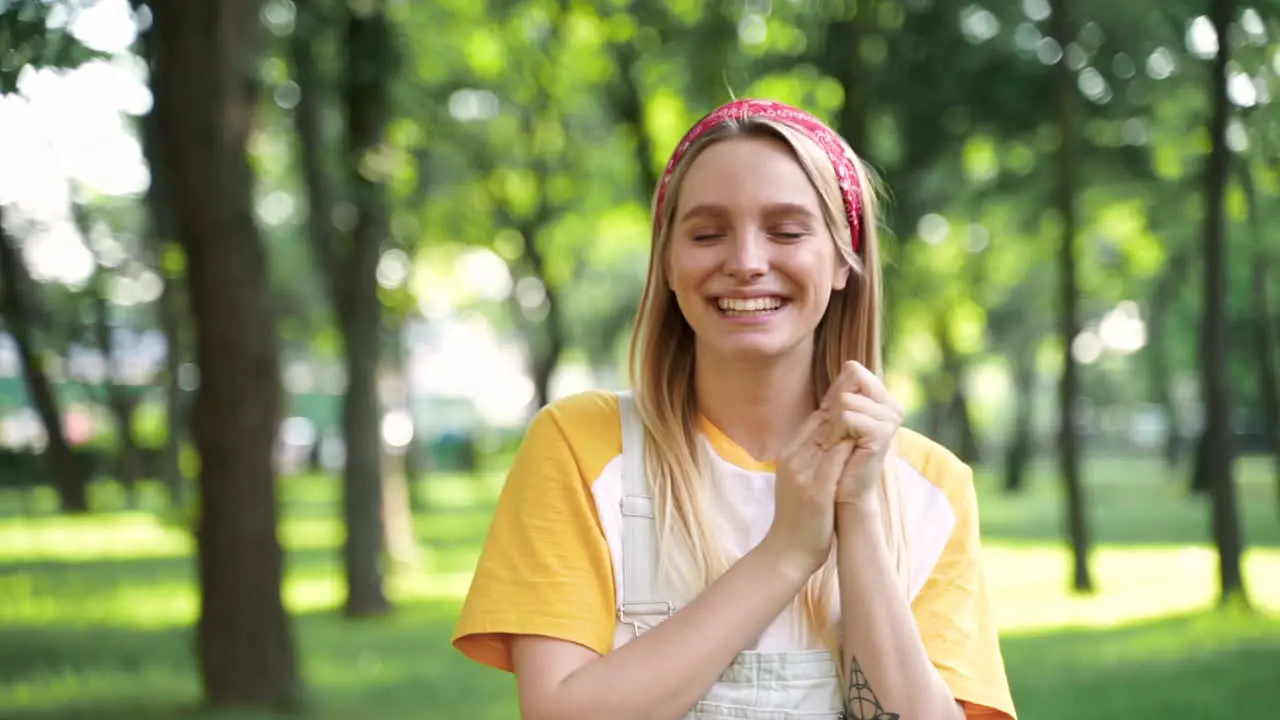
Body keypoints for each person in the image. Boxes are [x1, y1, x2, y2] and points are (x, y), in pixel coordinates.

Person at [451, 98, 1017, 720]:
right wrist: (786, 553)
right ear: (667, 262)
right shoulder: (580, 445)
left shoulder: (931, 487)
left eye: (786, 230)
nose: (746, 262)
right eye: (707, 233)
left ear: (842, 262)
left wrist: (856, 517)